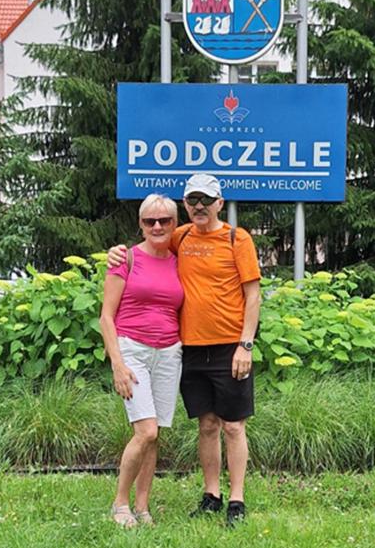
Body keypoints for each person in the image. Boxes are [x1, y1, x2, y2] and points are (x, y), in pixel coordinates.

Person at [109, 173, 261, 526]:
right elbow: (149, 245)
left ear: (220, 203)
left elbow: (253, 296)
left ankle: (236, 500)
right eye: (193, 200)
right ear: (185, 205)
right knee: (207, 425)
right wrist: (115, 253)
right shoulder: (181, 237)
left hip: (230, 346)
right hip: (190, 347)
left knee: (233, 426)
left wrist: (246, 344)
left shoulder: (238, 239)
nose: (200, 206)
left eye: (207, 200)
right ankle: (211, 495)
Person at [99, 194, 184, 529]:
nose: (157, 226)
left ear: (175, 223)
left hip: (169, 352)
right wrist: (117, 364)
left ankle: (143, 506)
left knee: (154, 433)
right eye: (150, 221)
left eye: (164, 220)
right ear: (141, 224)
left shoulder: (179, 260)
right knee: (145, 430)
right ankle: (120, 503)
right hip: (132, 349)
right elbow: (106, 317)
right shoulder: (126, 258)